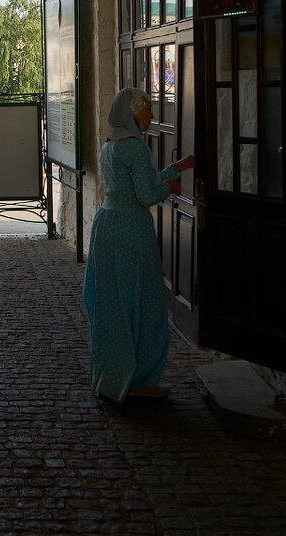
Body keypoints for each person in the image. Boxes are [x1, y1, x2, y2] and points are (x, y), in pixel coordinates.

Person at [84, 87, 195, 402]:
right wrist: (171, 187)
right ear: (133, 113)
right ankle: (139, 380)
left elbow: (137, 185)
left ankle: (112, 376)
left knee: (113, 304)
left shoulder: (112, 144)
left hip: (107, 226)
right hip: (132, 230)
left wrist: (177, 167)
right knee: (142, 304)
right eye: (147, 109)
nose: (152, 115)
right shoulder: (135, 147)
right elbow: (147, 195)